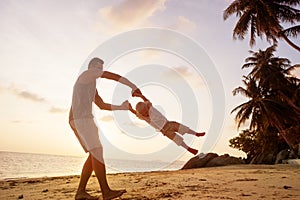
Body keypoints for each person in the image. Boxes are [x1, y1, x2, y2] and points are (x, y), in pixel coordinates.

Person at [69, 57, 143, 200]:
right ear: (91, 68)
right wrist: (132, 86)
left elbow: (102, 105)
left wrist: (121, 107)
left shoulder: (91, 86)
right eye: (98, 67)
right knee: (97, 151)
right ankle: (106, 192)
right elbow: (113, 76)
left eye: (101, 68)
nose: (100, 70)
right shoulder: (85, 75)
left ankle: (80, 192)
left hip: (83, 119)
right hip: (80, 119)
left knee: (93, 154)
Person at [129, 100, 205, 155]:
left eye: (146, 111)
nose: (146, 114)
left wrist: (140, 96)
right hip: (165, 131)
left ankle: (196, 133)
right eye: (144, 113)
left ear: (147, 108)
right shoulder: (146, 119)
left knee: (183, 128)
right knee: (177, 139)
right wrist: (130, 109)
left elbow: (146, 101)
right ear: (142, 114)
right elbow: (137, 114)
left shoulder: (152, 109)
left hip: (169, 123)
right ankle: (188, 149)